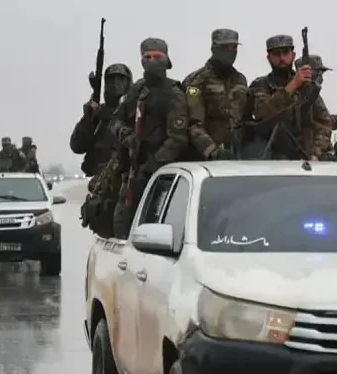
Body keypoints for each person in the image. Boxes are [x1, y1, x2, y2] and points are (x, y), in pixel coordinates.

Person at [106, 37, 188, 238]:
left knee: (155, 227)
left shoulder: (174, 93)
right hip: (133, 169)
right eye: (147, 56)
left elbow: (177, 138)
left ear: (167, 60)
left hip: (162, 173)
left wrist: (152, 167)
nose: (152, 61)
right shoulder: (138, 89)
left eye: (157, 57)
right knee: (122, 222)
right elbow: (115, 121)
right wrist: (126, 136)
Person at [246, 35, 334, 160]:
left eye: (286, 53)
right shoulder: (260, 85)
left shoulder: (306, 86)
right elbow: (262, 114)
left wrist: (315, 154)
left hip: (305, 160)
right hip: (269, 159)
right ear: (269, 58)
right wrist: (293, 86)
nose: (282, 58)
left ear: (293, 55)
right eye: (276, 54)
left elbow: (324, 124)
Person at [181, 28, 247, 161]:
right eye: (225, 47)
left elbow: (244, 119)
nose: (230, 52)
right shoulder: (196, 81)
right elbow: (193, 124)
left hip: (237, 158)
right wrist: (212, 151)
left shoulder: (240, 80)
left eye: (233, 47)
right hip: (203, 161)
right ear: (214, 48)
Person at [70, 63, 134, 177]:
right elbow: (77, 146)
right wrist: (88, 118)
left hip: (127, 181)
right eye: (111, 79)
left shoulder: (133, 111)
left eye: (121, 79)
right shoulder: (98, 113)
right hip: (101, 183)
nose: (115, 84)